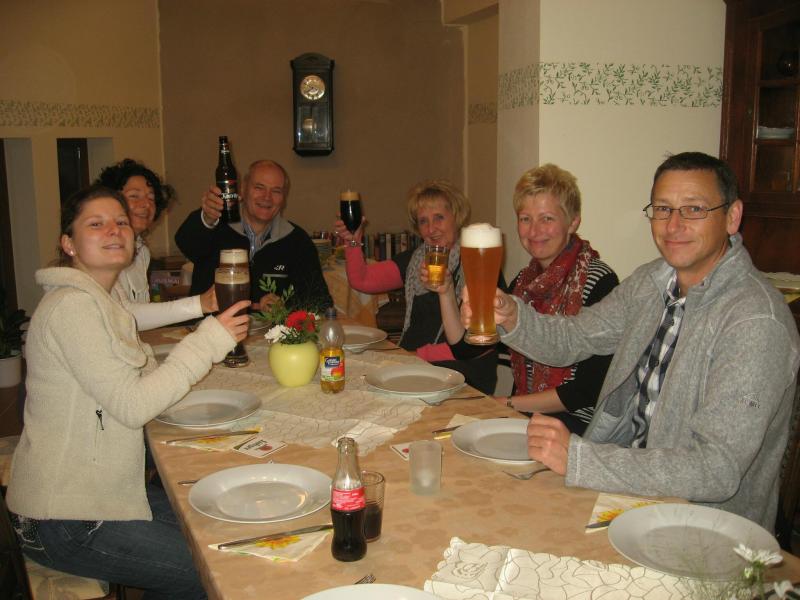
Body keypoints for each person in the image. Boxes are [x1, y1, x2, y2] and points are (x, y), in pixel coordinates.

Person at [461, 152, 799, 530]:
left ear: (732, 217)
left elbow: (715, 469)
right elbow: (575, 337)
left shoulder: (755, 322)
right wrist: (511, 314)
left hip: (702, 528)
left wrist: (581, 459)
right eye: (662, 209)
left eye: (694, 209)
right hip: (626, 493)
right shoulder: (653, 281)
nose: (673, 225)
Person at [6, 184, 249, 598]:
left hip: (105, 496)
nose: (114, 230)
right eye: (96, 224)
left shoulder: (99, 302)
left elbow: (139, 378)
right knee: (222, 571)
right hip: (65, 519)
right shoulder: (71, 308)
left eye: (120, 222)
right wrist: (209, 340)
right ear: (68, 243)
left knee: (222, 529)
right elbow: (133, 406)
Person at [334, 180, 502, 394]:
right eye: (423, 221)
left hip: (462, 374)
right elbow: (362, 280)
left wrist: (414, 356)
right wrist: (353, 241)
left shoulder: (480, 263)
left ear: (457, 217)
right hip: (415, 367)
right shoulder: (416, 260)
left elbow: (481, 346)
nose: (431, 229)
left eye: (439, 217)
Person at [497, 164, 618, 434]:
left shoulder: (600, 280)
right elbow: (475, 350)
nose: (534, 230)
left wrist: (507, 404)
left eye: (547, 218)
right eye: (525, 218)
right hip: (525, 415)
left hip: (577, 425)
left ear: (573, 222)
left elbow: (587, 389)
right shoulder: (522, 281)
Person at [176, 159, 333, 312]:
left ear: (283, 198)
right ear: (243, 189)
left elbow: (319, 302)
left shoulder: (297, 241)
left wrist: (284, 308)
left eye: (276, 191)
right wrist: (206, 218)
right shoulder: (214, 227)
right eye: (259, 187)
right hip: (210, 326)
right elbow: (185, 243)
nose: (267, 197)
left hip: (272, 329)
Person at [95, 158, 217, 330]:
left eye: (151, 198)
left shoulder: (142, 251)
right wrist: (199, 304)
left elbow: (139, 316)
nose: (146, 204)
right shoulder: (102, 250)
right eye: (134, 196)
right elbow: (123, 315)